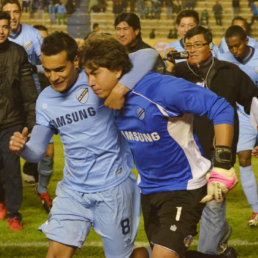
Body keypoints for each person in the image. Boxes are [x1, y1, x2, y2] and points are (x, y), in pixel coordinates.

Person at [81, 32, 238, 258]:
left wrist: (222, 164)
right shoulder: (104, 98)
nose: (90, 82)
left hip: (184, 187)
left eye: (95, 74)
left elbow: (220, 107)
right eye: (87, 75)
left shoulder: (161, 89)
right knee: (164, 252)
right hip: (148, 189)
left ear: (117, 70)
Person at [9, 31, 159, 257]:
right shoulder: (46, 100)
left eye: (60, 69)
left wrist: (119, 89)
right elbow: (37, 151)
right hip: (73, 191)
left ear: (76, 61)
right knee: (56, 254)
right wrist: (23, 149)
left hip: (113, 187)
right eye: (48, 70)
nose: (53, 77)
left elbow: (148, 54)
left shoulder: (96, 80)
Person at [165, 25, 258, 256]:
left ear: (210, 46)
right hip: (184, 157)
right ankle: (222, 232)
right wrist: (166, 70)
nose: (192, 49)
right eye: (188, 45)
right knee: (191, 208)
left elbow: (253, 101)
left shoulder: (229, 72)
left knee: (213, 207)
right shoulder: (177, 73)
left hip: (219, 156)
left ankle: (208, 252)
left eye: (198, 44)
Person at [2, 0, 54, 213]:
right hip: (11, 105)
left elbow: (47, 63)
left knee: (47, 149)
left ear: (21, 14)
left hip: (33, 100)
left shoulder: (32, 36)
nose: (12, 17)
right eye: (8, 14)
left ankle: (41, 188)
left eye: (16, 12)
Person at [0, 11, 37, 231]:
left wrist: (31, 123)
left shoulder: (18, 52)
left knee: (12, 169)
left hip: (12, 122)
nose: (1, 31)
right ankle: (1, 202)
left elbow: (29, 92)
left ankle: (14, 214)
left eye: (4, 26)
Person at [219, 25, 258, 227]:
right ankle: (257, 210)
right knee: (242, 159)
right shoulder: (223, 59)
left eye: (237, 46)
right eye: (230, 47)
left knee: (245, 158)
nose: (234, 51)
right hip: (237, 113)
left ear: (246, 41)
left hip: (255, 108)